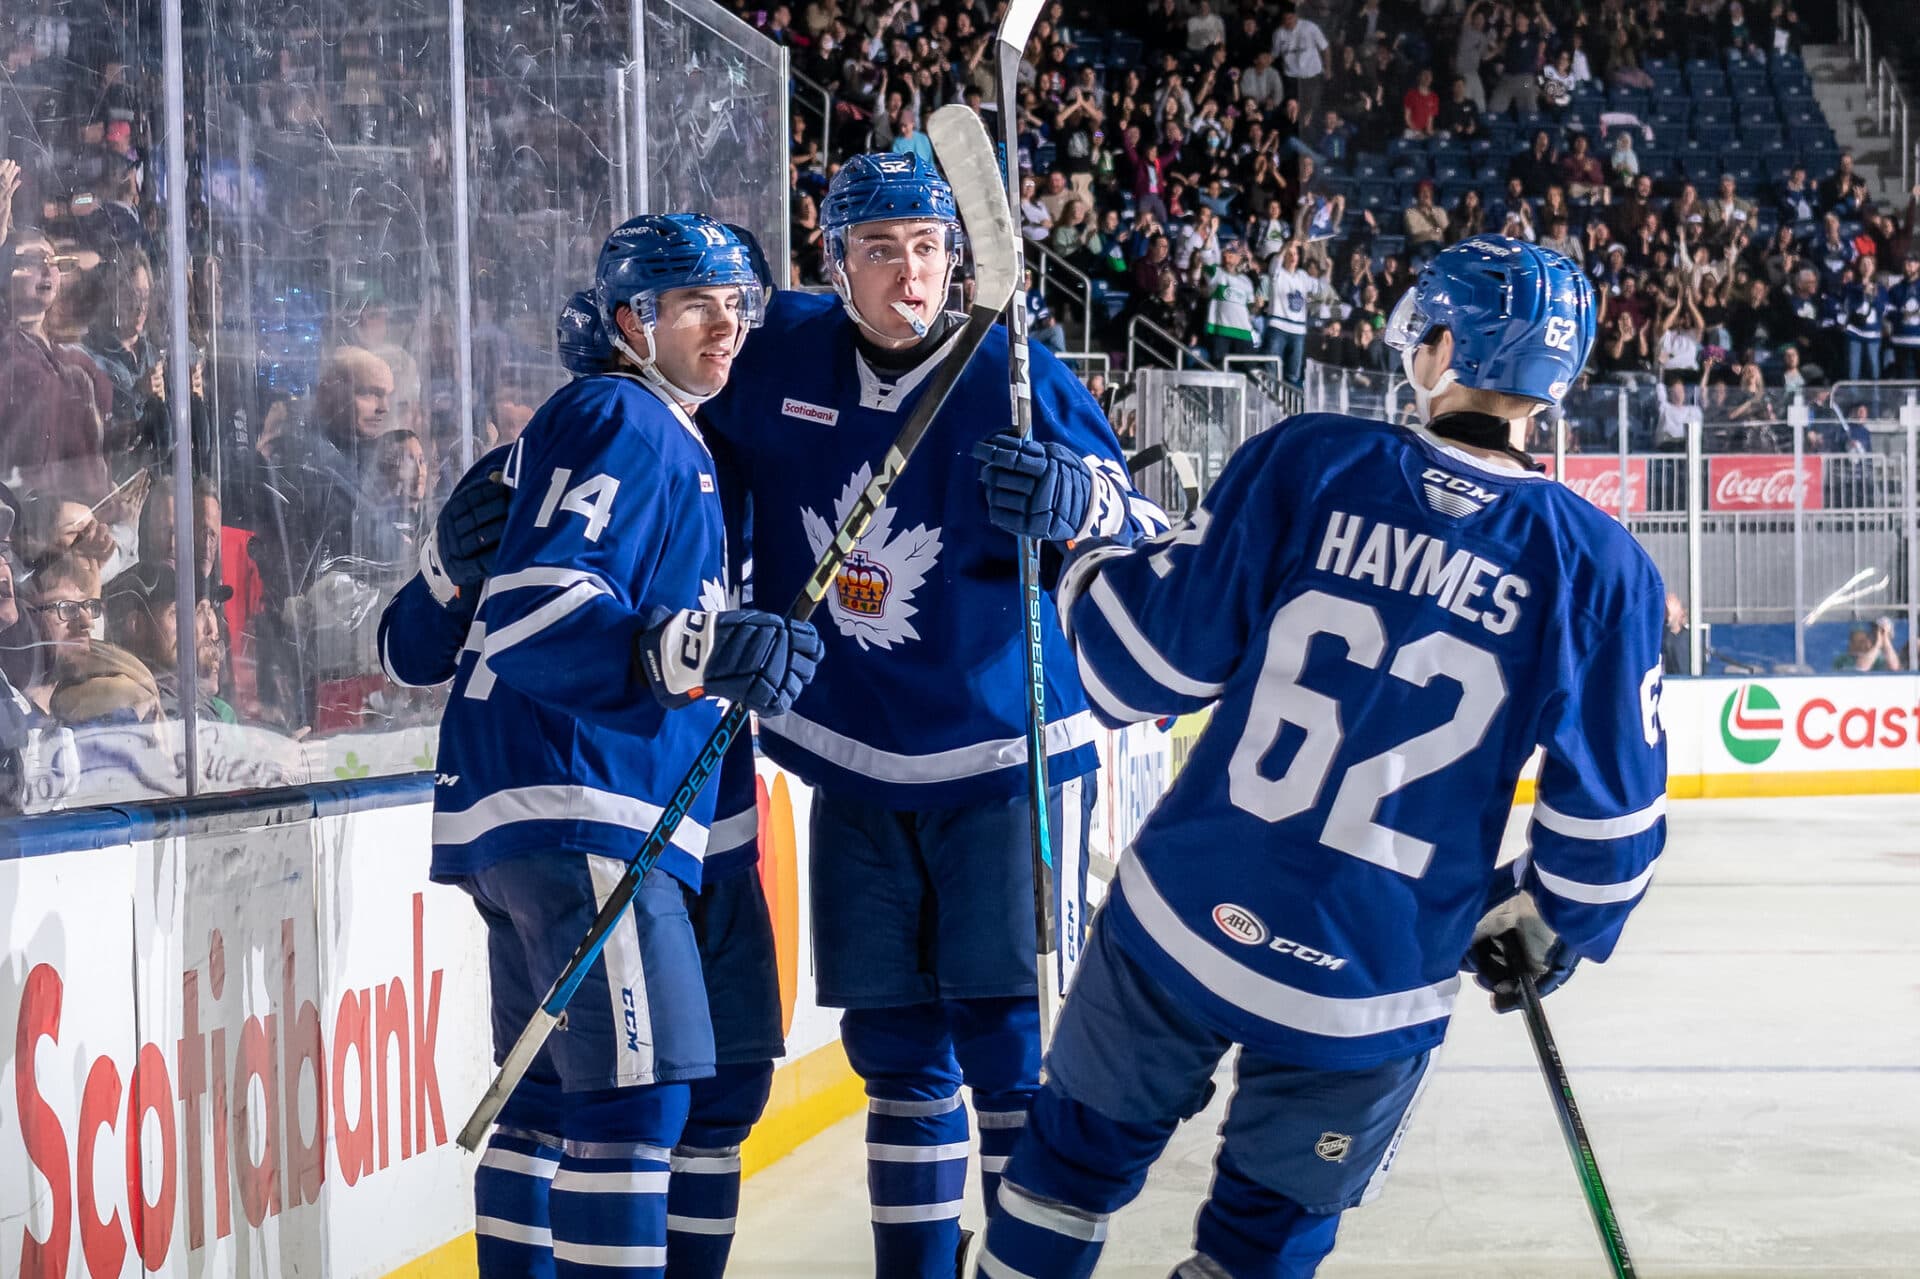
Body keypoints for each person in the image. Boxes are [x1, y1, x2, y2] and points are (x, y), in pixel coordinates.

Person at [975, 237, 1669, 1279]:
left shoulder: (1312, 460)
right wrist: (1543, 916)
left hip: (1186, 919)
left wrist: (1077, 557)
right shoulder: (1602, 565)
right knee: (1263, 1245)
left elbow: (1143, 665)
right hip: (1374, 977)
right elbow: (1607, 840)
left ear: (1439, 347)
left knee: (1063, 1177)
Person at [698, 151, 1167, 1278]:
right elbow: (693, 476)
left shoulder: (1013, 368)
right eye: (879, 249)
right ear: (835, 262)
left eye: (927, 248)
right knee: (895, 1047)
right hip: (855, 755)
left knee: (1007, 1047)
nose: (907, 273)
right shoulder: (778, 360)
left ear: (957, 259)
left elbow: (1142, 522)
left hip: (1002, 751)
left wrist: (1075, 496)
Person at [375, 213, 823, 1279]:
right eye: (697, 303)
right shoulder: (628, 418)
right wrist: (694, 646)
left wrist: (446, 580)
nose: (728, 324)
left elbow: (410, 648)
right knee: (635, 1102)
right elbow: (536, 616)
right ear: (632, 319)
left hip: (533, 808)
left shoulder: (605, 428)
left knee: (547, 1100)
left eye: (737, 303)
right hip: (581, 798)